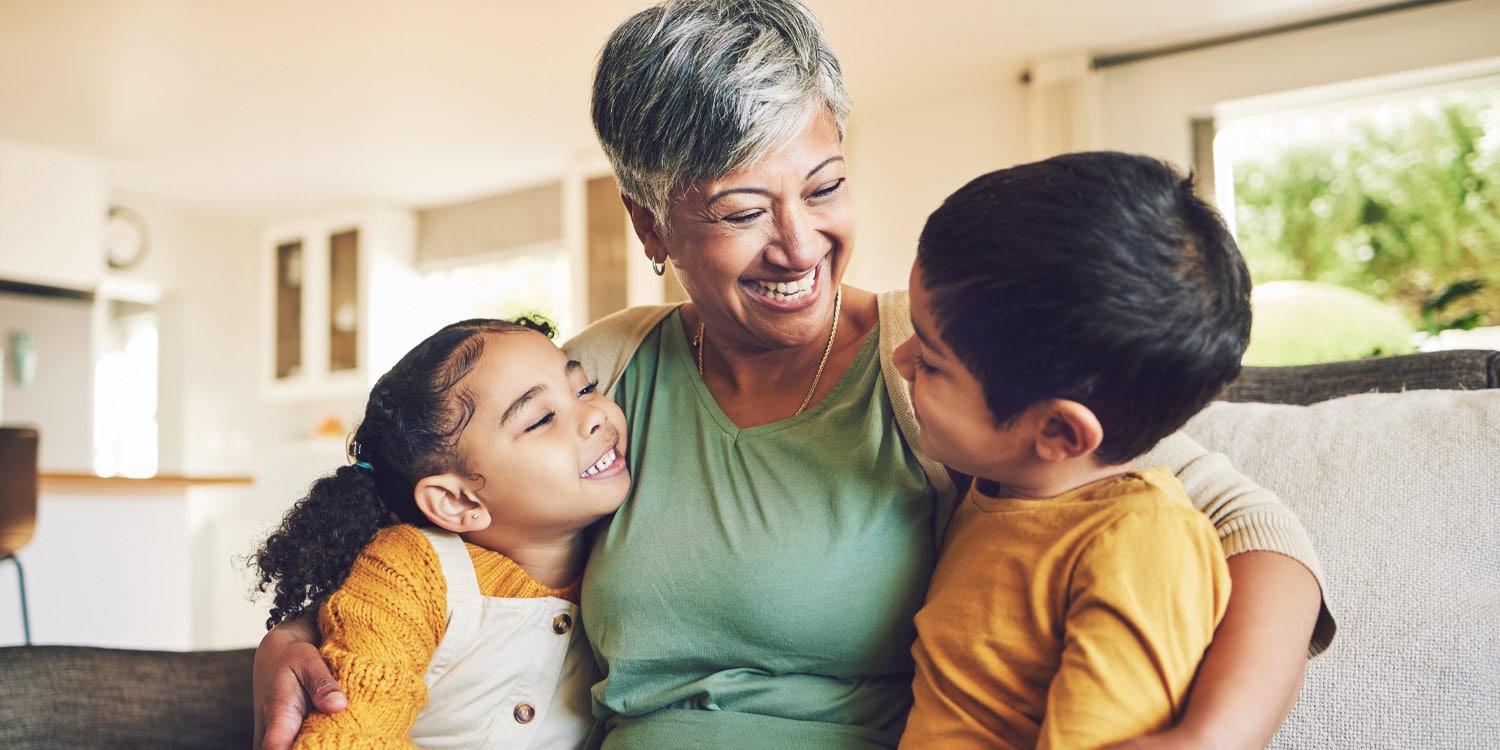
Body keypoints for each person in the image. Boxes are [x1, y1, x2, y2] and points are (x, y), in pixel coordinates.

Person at [253, 2, 1335, 748]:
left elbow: (1252, 525)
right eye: (739, 212)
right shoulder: (602, 377)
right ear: (650, 223)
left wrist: (1210, 737)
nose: (800, 246)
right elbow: (438, 504)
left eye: (823, 188)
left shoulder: (949, 366)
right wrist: (300, 635)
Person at [893, 152, 1252, 748]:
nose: (900, 360)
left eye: (930, 362)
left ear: (1059, 433)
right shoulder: (996, 487)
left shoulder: (1140, 544)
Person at [250, 317, 629, 748]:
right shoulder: (410, 570)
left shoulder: (624, 547)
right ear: (458, 501)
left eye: (584, 388)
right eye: (542, 419)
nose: (594, 414)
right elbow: (350, 735)